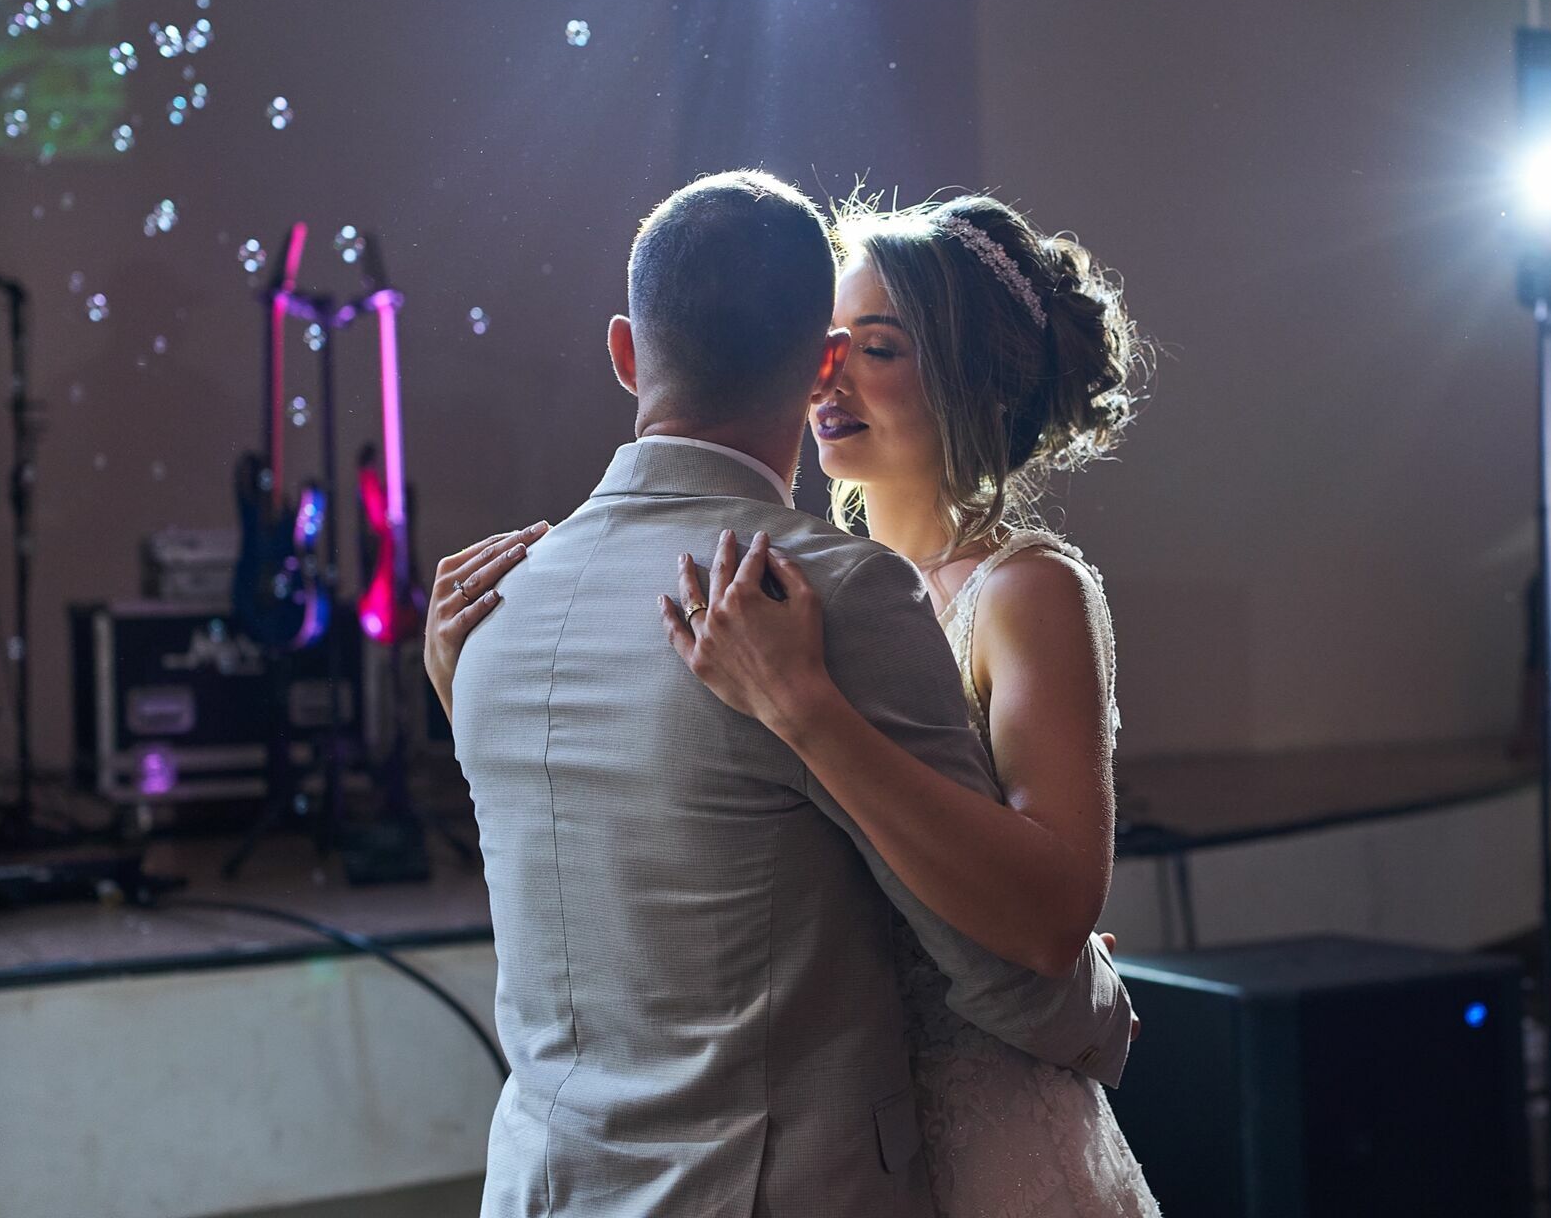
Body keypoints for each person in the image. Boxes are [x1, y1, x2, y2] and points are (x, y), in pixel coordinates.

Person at [429, 171, 1135, 1218]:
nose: (836, 380)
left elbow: (1038, 909)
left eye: (878, 349)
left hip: (937, 1119)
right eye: (835, 345)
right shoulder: (812, 586)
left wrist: (808, 709)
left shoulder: (1001, 588)